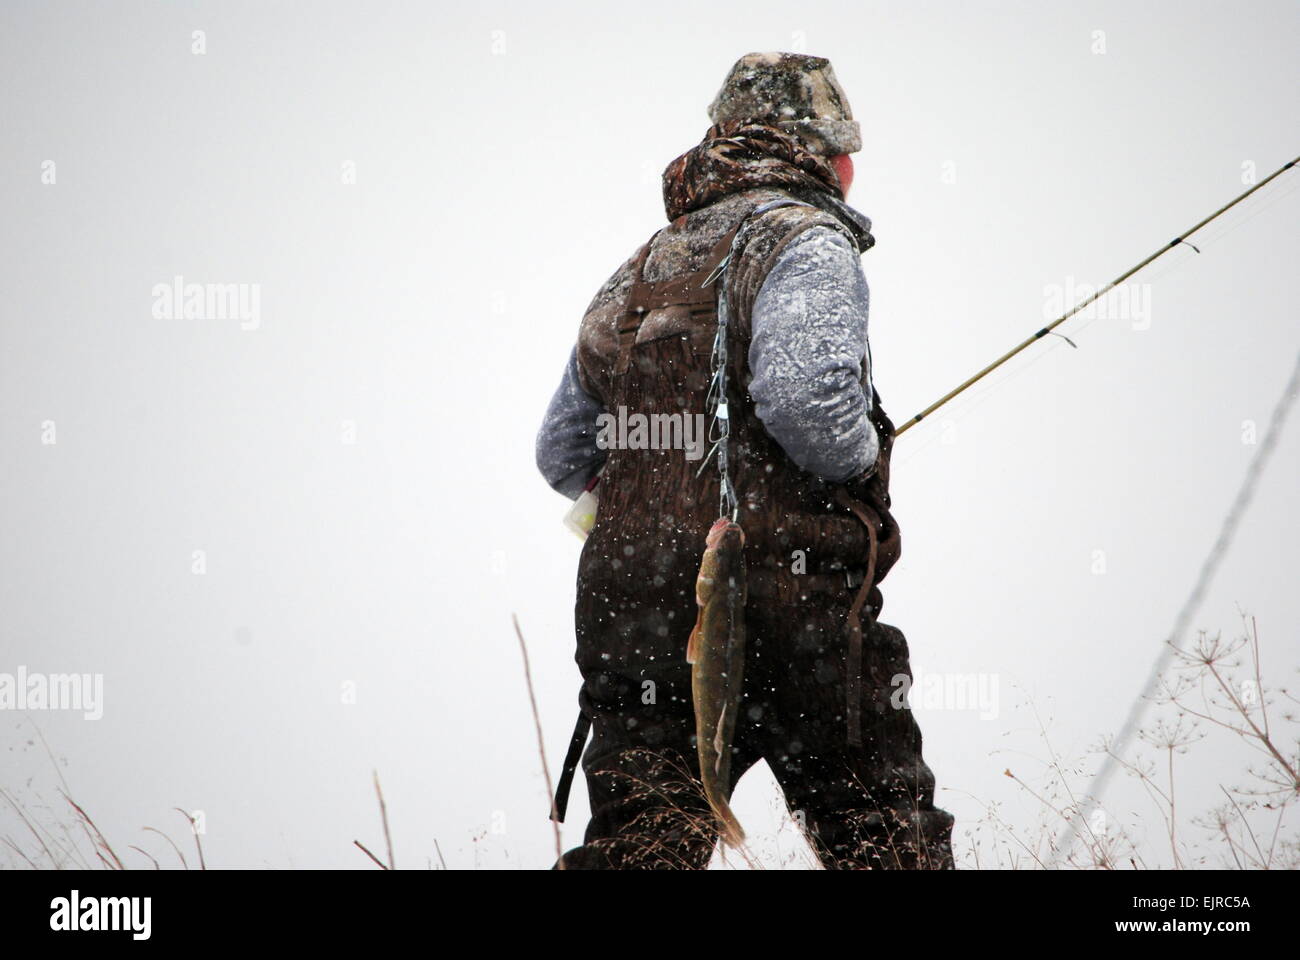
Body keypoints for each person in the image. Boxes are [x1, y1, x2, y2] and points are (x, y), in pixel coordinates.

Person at [536, 52, 954, 869]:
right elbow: (809, 408)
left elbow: (560, 452)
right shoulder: (807, 239)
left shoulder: (639, 269)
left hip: (633, 619)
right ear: (829, 155)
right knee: (884, 840)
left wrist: (649, 502)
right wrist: (866, 447)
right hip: (794, 611)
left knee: (642, 849)